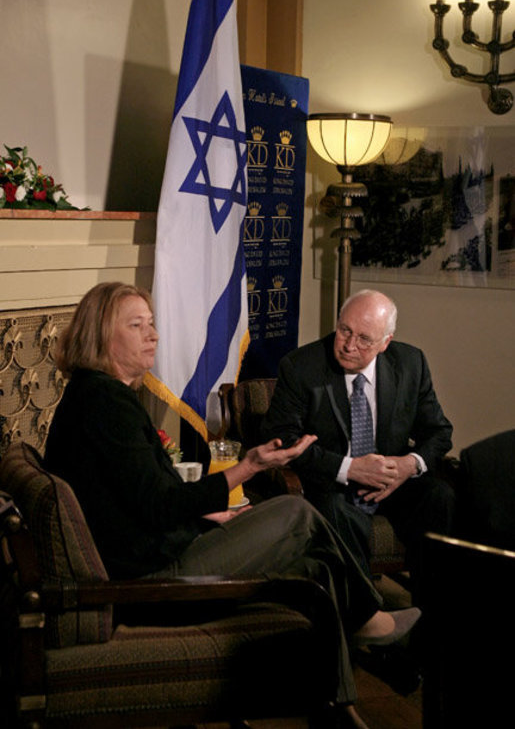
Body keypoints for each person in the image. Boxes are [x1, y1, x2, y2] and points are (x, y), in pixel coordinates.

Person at [44, 282, 420, 729]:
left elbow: (133, 500)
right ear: (103, 336)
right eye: (137, 325)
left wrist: (221, 502)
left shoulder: (98, 397)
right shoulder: (106, 406)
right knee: (298, 514)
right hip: (149, 584)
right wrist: (248, 468)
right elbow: (160, 507)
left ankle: (337, 706)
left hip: (157, 554)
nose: (154, 335)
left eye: (153, 323)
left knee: (315, 569)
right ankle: (369, 619)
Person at [261, 289, 454, 603]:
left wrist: (409, 465)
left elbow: (439, 433)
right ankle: (365, 617)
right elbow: (283, 440)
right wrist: (350, 468)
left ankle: (431, 615)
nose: (349, 345)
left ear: (385, 343)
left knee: (439, 496)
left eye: (365, 339)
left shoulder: (410, 363)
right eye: (344, 331)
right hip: (336, 483)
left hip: (392, 479)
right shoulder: (300, 367)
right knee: (337, 510)